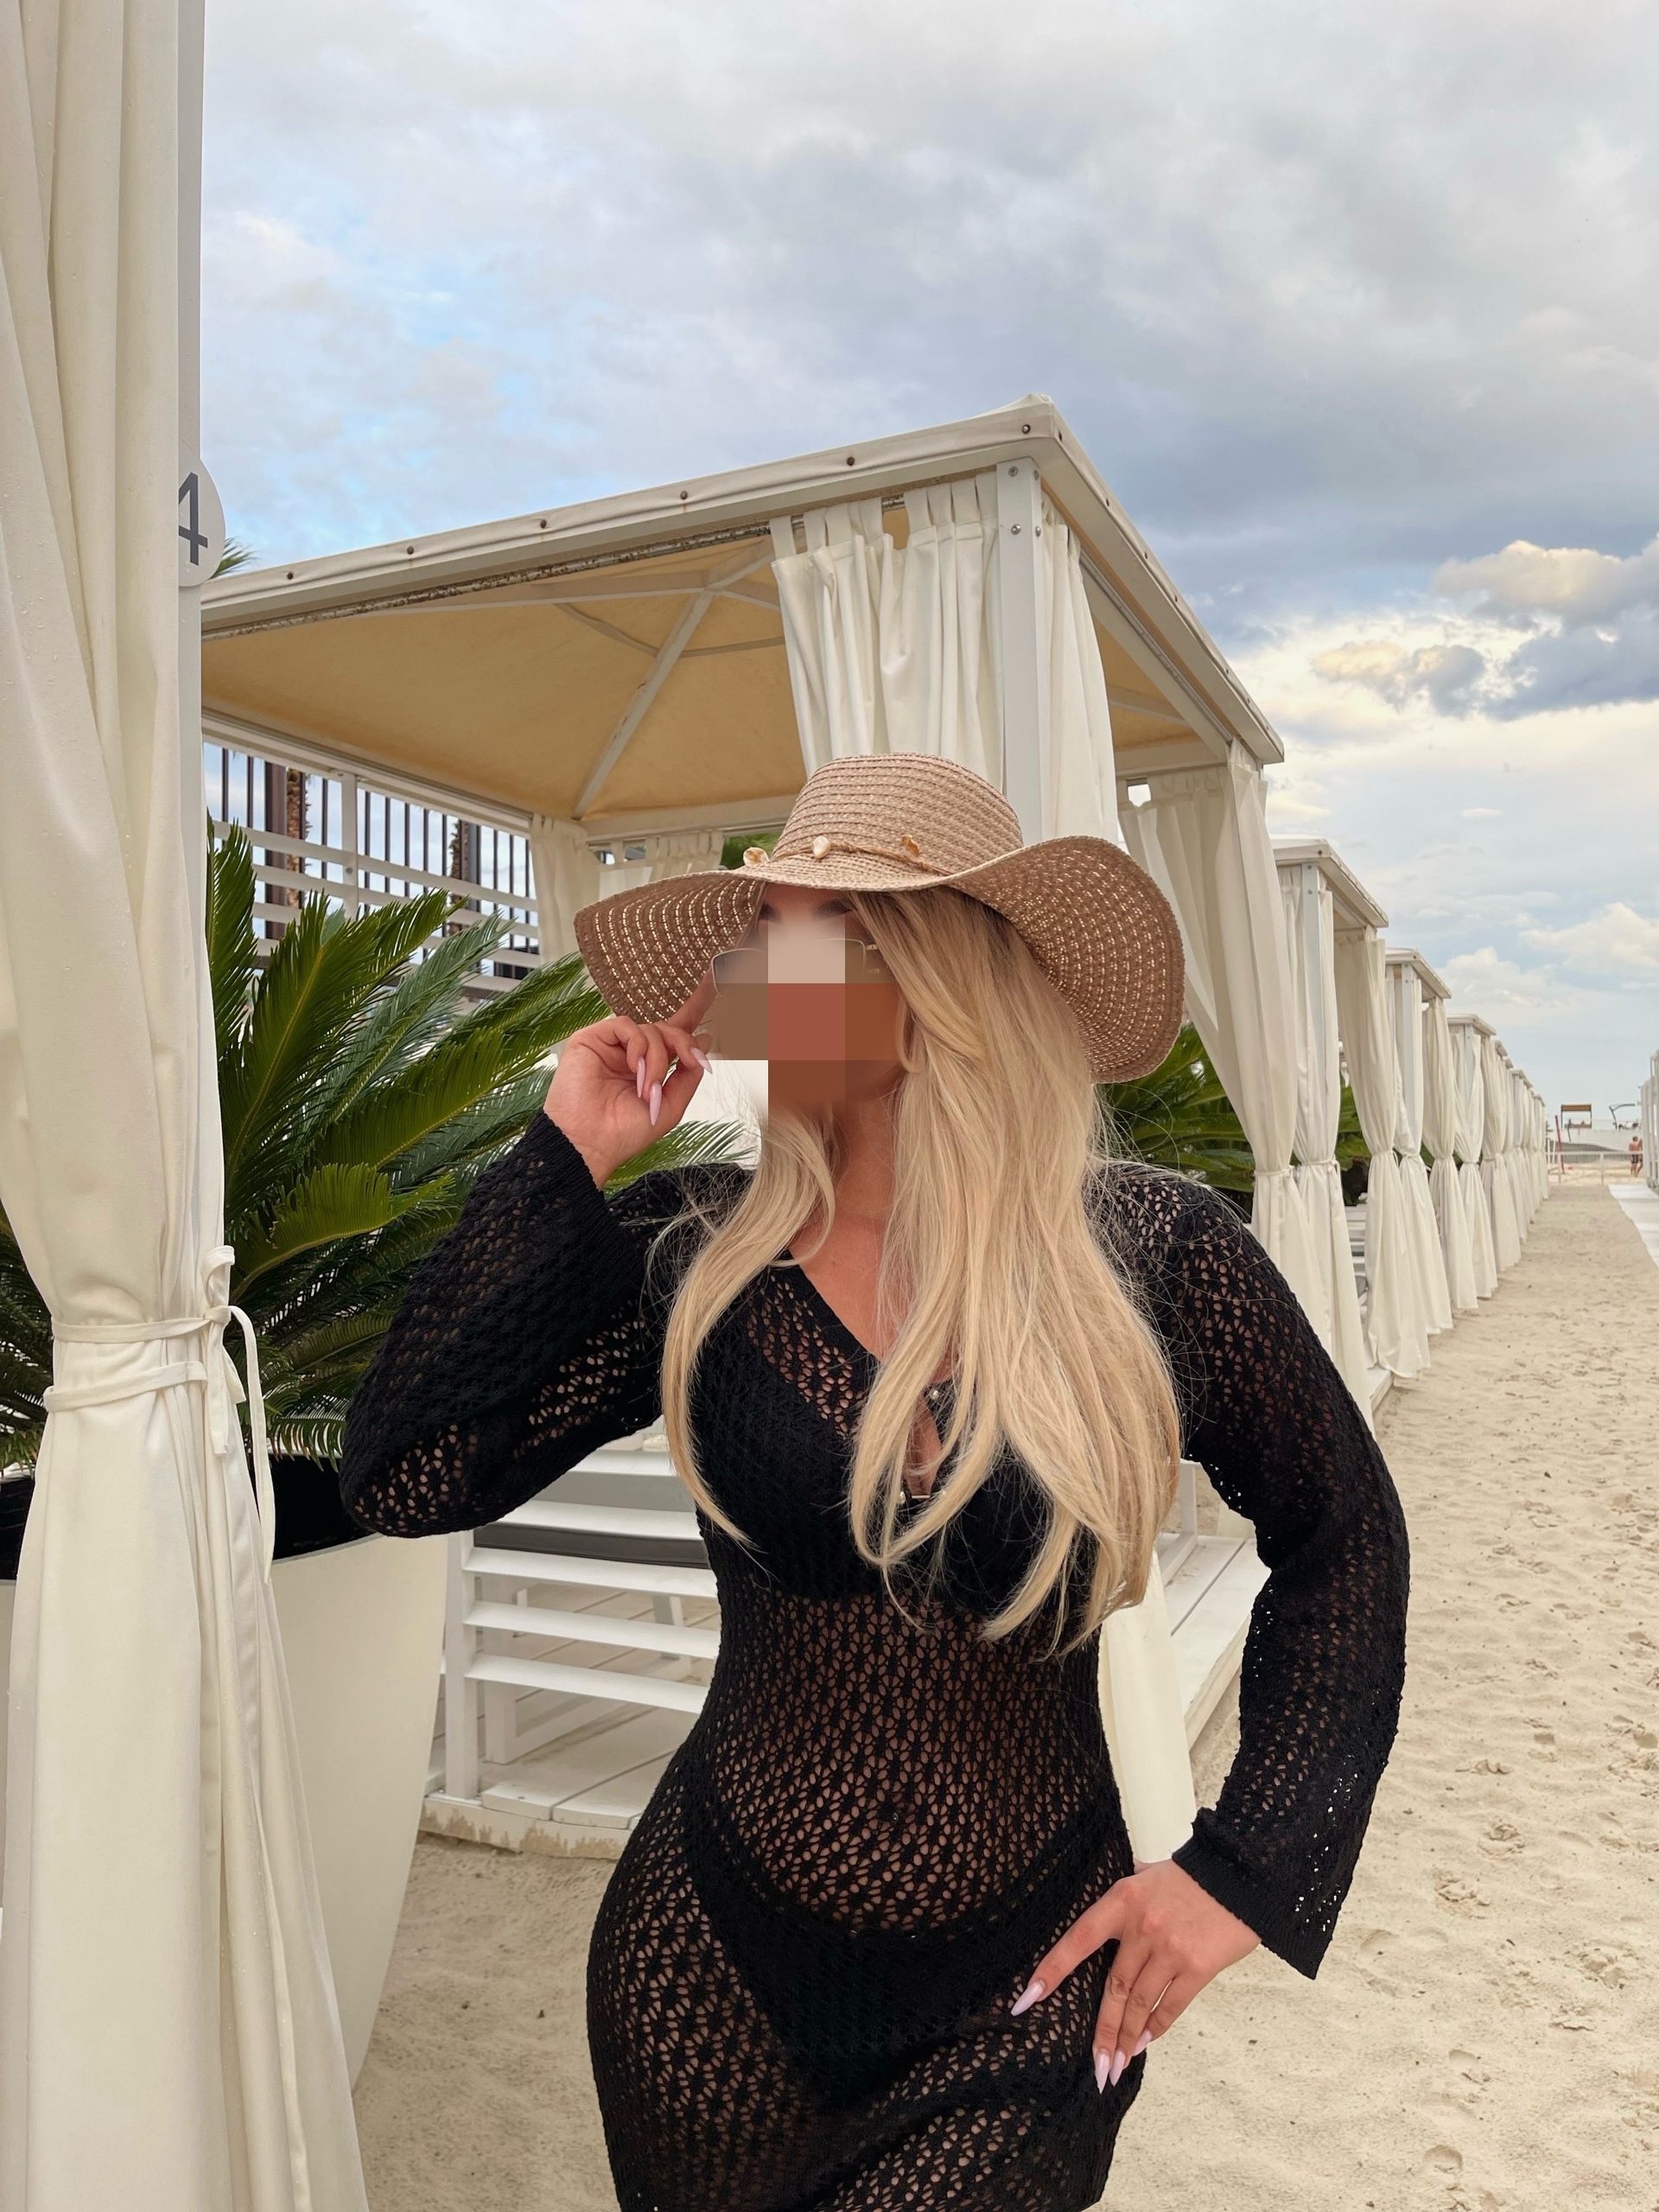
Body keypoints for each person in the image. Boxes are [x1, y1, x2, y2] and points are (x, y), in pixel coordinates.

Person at [340, 753, 1409, 2212]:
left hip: (1027, 1983)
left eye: (801, 934)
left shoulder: (1148, 1257)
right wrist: (563, 1157)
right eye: (757, 935)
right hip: (706, 1963)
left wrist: (1243, 1867)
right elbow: (405, 1477)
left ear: (932, 970)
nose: (746, 978)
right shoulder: (698, 1253)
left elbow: (1345, 1537)